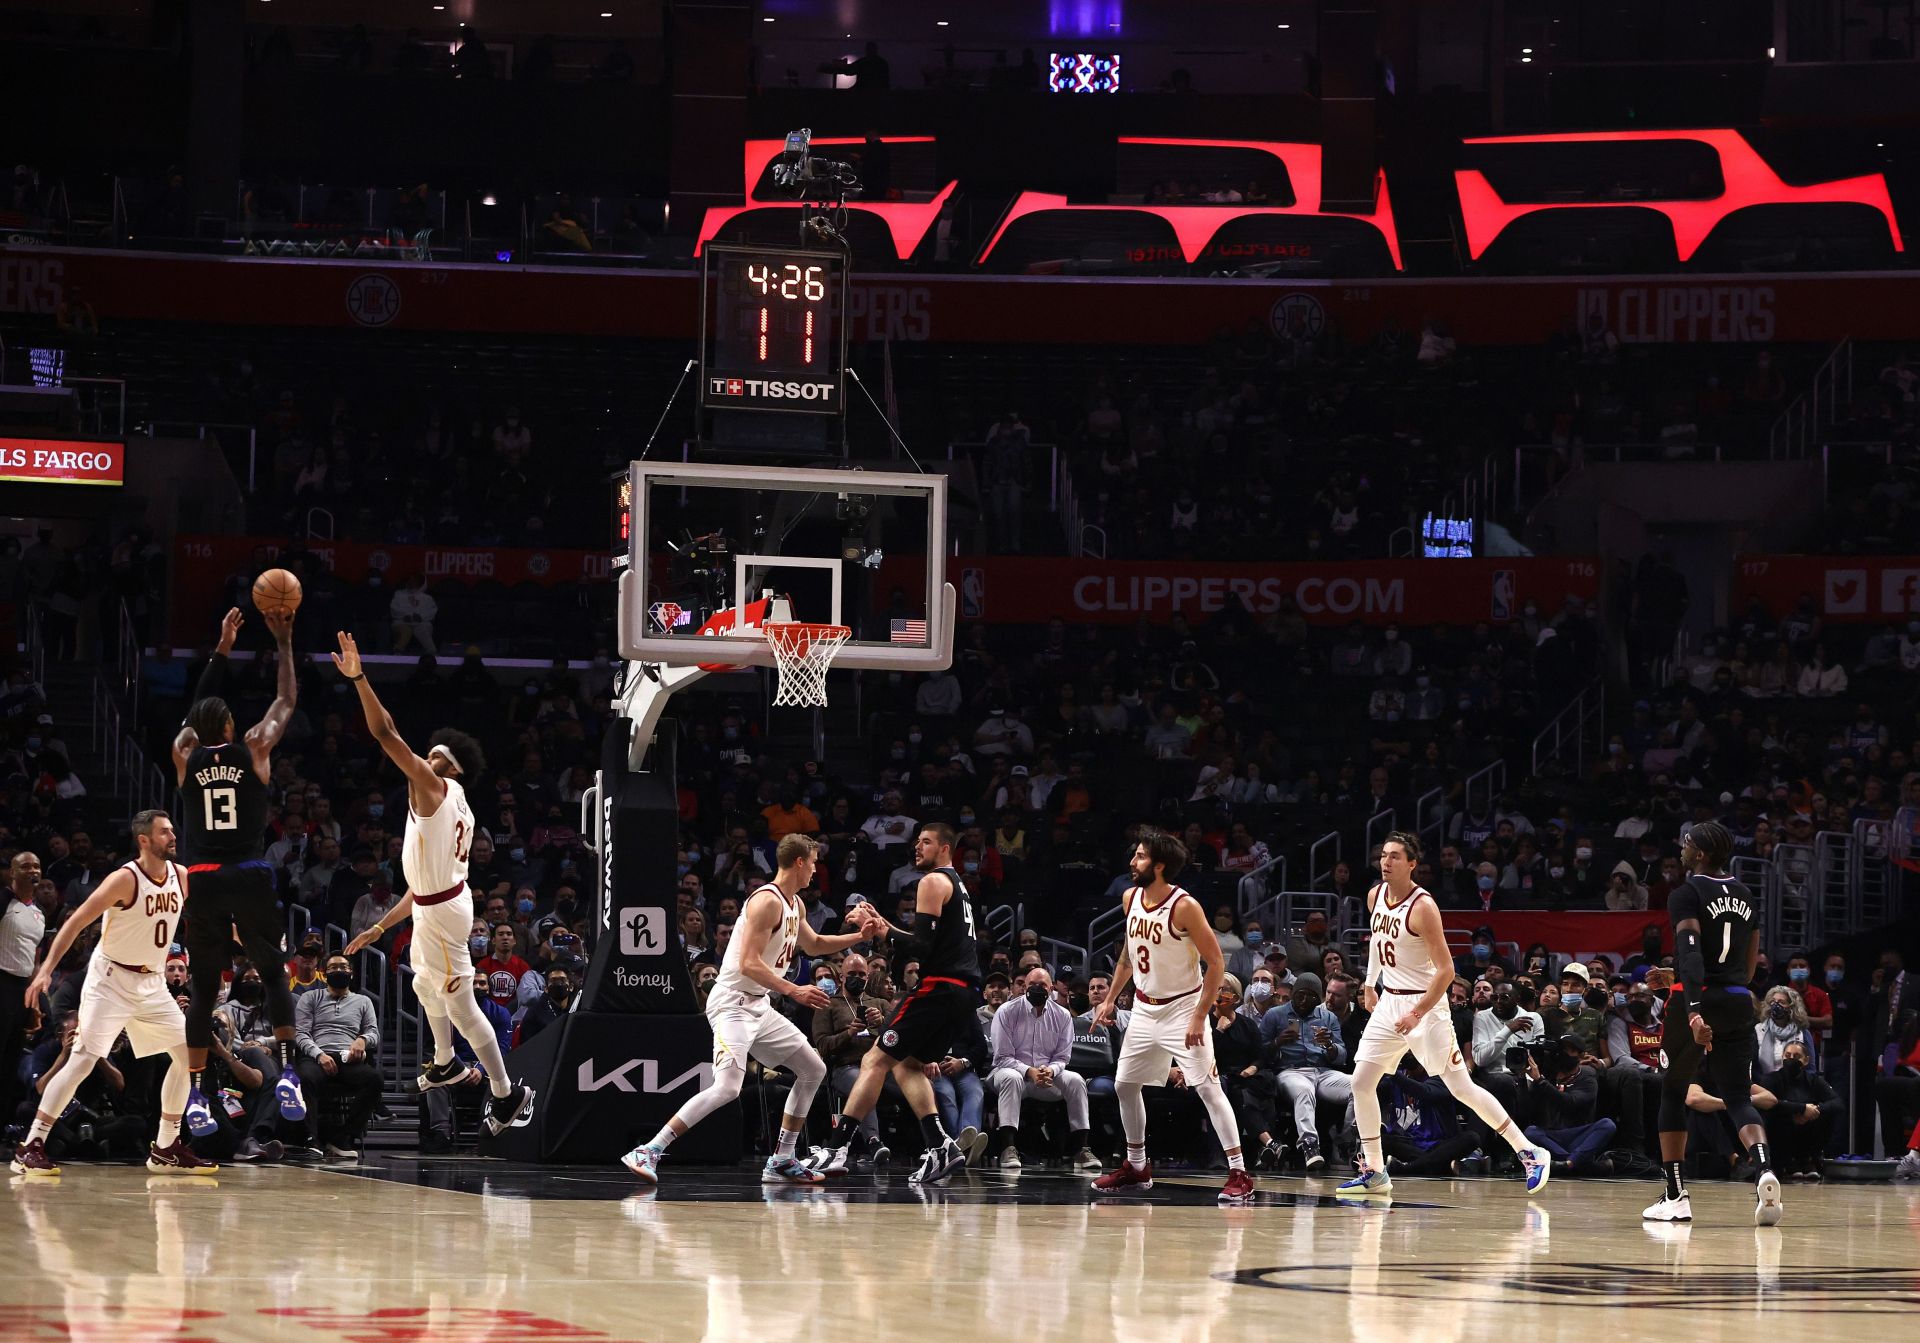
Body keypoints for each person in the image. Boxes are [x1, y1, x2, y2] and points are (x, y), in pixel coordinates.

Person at [335, 632, 532, 1136]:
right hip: (435, 902)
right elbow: (422, 886)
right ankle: (444, 1060)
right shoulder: (453, 797)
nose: (426, 758)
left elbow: (384, 733)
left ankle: (508, 1095)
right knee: (424, 983)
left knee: (462, 1004)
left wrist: (359, 678)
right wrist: (381, 927)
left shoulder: (435, 788)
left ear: (450, 767)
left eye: (435, 755)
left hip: (444, 911)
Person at [626, 836, 880, 1185]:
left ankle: (782, 1158)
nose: (817, 870)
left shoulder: (795, 905)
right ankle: (650, 1149)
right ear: (800, 862)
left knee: (812, 1069)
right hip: (732, 1003)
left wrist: (858, 937)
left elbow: (815, 944)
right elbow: (748, 963)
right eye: (815, 863)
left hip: (759, 1005)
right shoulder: (766, 902)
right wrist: (794, 990)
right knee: (728, 1088)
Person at [1339, 832, 1551, 1197]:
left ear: (1411, 864)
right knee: (1361, 1082)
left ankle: (1529, 1151)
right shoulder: (1376, 894)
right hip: (1391, 1002)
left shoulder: (1423, 906)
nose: (1385, 862)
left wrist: (1418, 1013)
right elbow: (1377, 941)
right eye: (1383, 856)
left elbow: (1446, 971)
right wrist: (1372, 984)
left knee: (1460, 1087)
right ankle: (1374, 1170)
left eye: (1393, 857)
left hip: (1427, 1005)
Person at [12, 810, 214, 1175]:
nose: (173, 837)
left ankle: (166, 1146)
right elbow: (75, 922)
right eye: (165, 832)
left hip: (151, 982)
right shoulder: (125, 879)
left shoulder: (181, 877)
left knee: (189, 1055)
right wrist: (45, 970)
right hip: (111, 980)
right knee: (84, 1059)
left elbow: (210, 919)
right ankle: (31, 1144)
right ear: (144, 840)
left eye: (172, 831)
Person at [172, 607, 304, 1132]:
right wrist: (284, 640)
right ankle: (290, 1072)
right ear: (229, 725)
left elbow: (190, 716)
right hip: (249, 871)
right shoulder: (255, 746)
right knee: (272, 970)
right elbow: (287, 700)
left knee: (204, 987)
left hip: (201, 874)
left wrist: (221, 649)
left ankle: (200, 1095)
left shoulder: (185, 754)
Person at [805, 824, 983, 1187]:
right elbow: (927, 941)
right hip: (963, 992)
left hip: (939, 987)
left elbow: (920, 949)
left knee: (874, 1059)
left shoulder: (931, 882)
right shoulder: (959, 887)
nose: (917, 847)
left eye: (926, 842)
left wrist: (880, 929)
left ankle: (838, 1148)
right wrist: (883, 923)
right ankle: (940, 1146)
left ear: (946, 848)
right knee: (908, 1065)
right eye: (916, 841)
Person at [1091, 829, 1254, 1203]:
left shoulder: (1185, 906)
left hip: (1184, 1007)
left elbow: (1215, 963)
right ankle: (1136, 1166)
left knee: (1208, 1088)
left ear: (1160, 865)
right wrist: (1110, 999)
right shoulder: (1129, 897)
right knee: (1124, 1086)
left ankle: (1239, 1172)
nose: (1133, 862)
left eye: (1141, 856)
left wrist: (1199, 1016)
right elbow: (1129, 955)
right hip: (1146, 1008)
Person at [1643, 821, 1780, 1226]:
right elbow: (1749, 963)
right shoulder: (1746, 894)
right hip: (1738, 1000)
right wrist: (1701, 987)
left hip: (1695, 1000)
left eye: (1687, 844)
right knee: (1738, 1097)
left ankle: (1675, 1195)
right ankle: (1765, 1169)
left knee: (1672, 1091)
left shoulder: (1686, 894)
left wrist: (1693, 1007)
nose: (1682, 848)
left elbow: (1692, 954)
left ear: (1700, 854)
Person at [292, 954, 383, 1161]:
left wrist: (362, 1040)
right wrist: (319, 1054)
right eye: (333, 967)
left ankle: (343, 1137)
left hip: (347, 1058)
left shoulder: (363, 1001)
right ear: (324, 974)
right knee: (304, 1078)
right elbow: (301, 1033)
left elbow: (373, 1033)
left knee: (374, 1079)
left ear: (351, 973)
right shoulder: (310, 997)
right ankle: (311, 1140)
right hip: (317, 1056)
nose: (339, 971)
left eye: (343, 967)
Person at [1261, 970, 1352, 1172]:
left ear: (1318, 998)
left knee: (1359, 1085)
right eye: (1300, 994)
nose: (1304, 1000)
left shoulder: (1328, 1018)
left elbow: (1342, 1056)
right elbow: (1259, 1052)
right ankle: (1309, 1146)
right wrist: (1277, 1042)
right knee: (1304, 1090)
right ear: (1293, 993)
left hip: (1322, 1071)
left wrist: (1329, 1046)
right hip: (1290, 1071)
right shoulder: (1275, 1015)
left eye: (1310, 996)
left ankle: (1347, 1140)